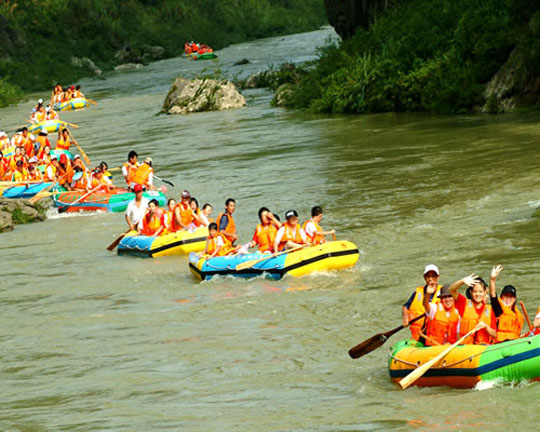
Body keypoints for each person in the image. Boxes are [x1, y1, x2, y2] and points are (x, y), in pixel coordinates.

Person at [449, 273, 497, 345]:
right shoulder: (463, 303)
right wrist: (463, 281)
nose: (478, 294)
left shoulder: (489, 310)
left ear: (485, 292)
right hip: (466, 347)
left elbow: (494, 334)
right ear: (471, 292)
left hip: (483, 347)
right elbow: (451, 289)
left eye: (480, 292)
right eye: (475, 291)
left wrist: (486, 326)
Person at [402, 264, 443, 341]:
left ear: (438, 277)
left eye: (433, 276)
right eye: (428, 276)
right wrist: (405, 318)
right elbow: (405, 306)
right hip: (418, 335)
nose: (430, 279)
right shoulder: (418, 292)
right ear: (424, 277)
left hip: (436, 335)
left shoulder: (443, 292)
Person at [488, 265, 524, 342]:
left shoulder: (517, 314)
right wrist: (492, 280)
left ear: (514, 299)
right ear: (501, 297)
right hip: (500, 342)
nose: (508, 299)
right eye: (506, 296)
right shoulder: (498, 309)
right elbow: (493, 296)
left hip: (514, 341)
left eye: (511, 297)